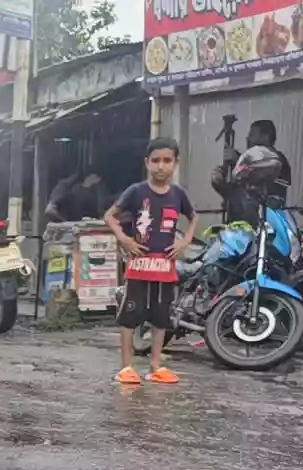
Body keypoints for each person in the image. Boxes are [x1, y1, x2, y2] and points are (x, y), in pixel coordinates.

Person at [105, 137, 196, 386]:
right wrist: (124, 239)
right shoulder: (136, 191)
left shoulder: (178, 194)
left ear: (176, 163)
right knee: (129, 315)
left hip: (165, 267)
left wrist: (185, 241)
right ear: (147, 163)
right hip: (138, 266)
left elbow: (193, 216)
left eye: (167, 160)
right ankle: (126, 368)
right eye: (155, 160)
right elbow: (110, 216)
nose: (161, 166)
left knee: (160, 316)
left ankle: (156, 366)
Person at [217, 119, 291, 226]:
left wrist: (237, 159)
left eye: (252, 135)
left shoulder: (277, 158)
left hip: (266, 222)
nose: (248, 138)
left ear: (265, 137)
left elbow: (257, 171)